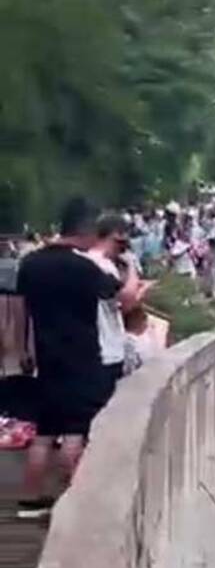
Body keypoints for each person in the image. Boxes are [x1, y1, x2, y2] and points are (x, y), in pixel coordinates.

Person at [16, 196, 123, 518]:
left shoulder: (31, 264)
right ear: (86, 230)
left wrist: (24, 349)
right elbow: (117, 293)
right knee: (75, 432)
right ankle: (71, 500)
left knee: (44, 432)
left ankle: (31, 500)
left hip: (45, 356)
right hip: (82, 358)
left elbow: (23, 310)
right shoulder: (83, 267)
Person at [87, 214, 151, 396]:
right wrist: (131, 266)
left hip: (97, 346)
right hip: (109, 347)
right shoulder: (103, 264)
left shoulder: (86, 261)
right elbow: (127, 300)